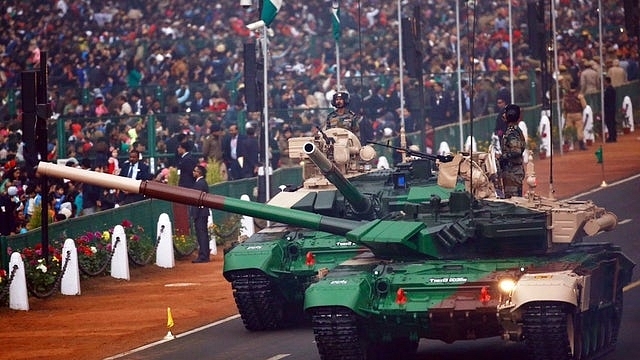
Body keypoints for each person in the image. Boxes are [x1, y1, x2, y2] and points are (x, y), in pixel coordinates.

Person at [499, 104, 526, 198]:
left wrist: (502, 157)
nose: (503, 115)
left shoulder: (512, 133)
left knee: (513, 202)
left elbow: (516, 151)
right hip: (513, 172)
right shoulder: (514, 130)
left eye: (505, 113)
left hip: (512, 173)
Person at [191, 165, 211, 263]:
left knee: (201, 234)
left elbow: (197, 200)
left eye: (195, 171)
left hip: (200, 213)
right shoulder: (201, 182)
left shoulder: (199, 183)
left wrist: (195, 214)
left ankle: (203, 256)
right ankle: (204, 254)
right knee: (203, 234)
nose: (193, 172)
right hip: (202, 212)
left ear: (199, 173)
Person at [562, 81, 587, 150]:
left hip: (569, 114)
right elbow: (584, 105)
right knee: (579, 129)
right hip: (578, 114)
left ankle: (567, 144)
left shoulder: (566, 95)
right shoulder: (579, 95)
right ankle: (581, 145)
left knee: (569, 129)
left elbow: (563, 106)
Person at [604, 76, 617, 143]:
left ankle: (611, 137)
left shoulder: (608, 90)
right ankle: (613, 136)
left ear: (606, 82)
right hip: (612, 108)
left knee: (610, 123)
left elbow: (607, 100)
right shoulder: (613, 89)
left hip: (609, 109)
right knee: (612, 122)